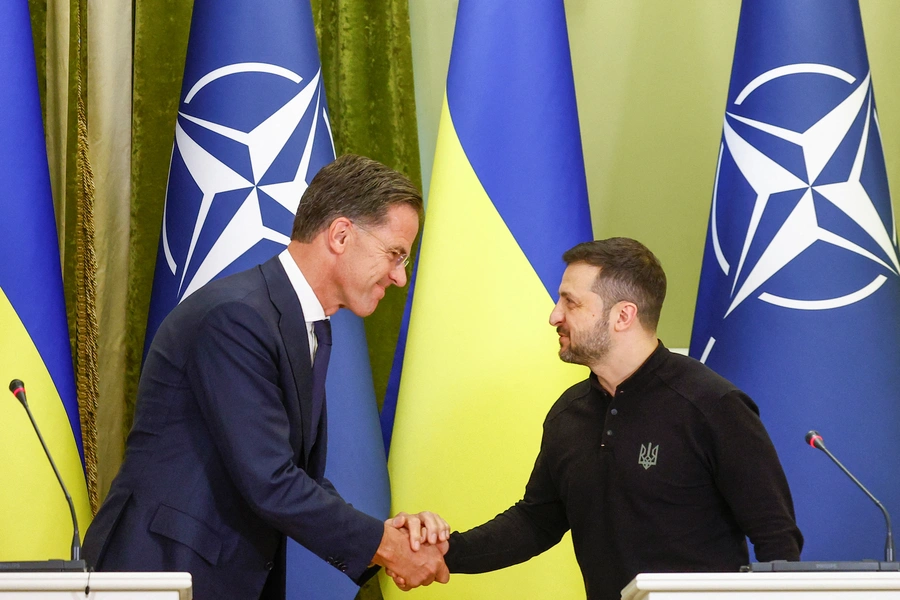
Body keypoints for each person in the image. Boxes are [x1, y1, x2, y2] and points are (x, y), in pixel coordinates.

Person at [83, 155, 449, 599]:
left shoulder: (304, 325)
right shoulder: (237, 317)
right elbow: (271, 480)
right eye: (394, 254)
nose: (399, 276)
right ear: (340, 234)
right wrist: (387, 546)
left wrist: (384, 536)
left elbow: (295, 474)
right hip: (163, 571)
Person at [389, 237, 803, 599]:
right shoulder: (568, 415)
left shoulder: (713, 405)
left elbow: (777, 540)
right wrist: (443, 551)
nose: (554, 315)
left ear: (623, 315)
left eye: (571, 302)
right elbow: (535, 522)